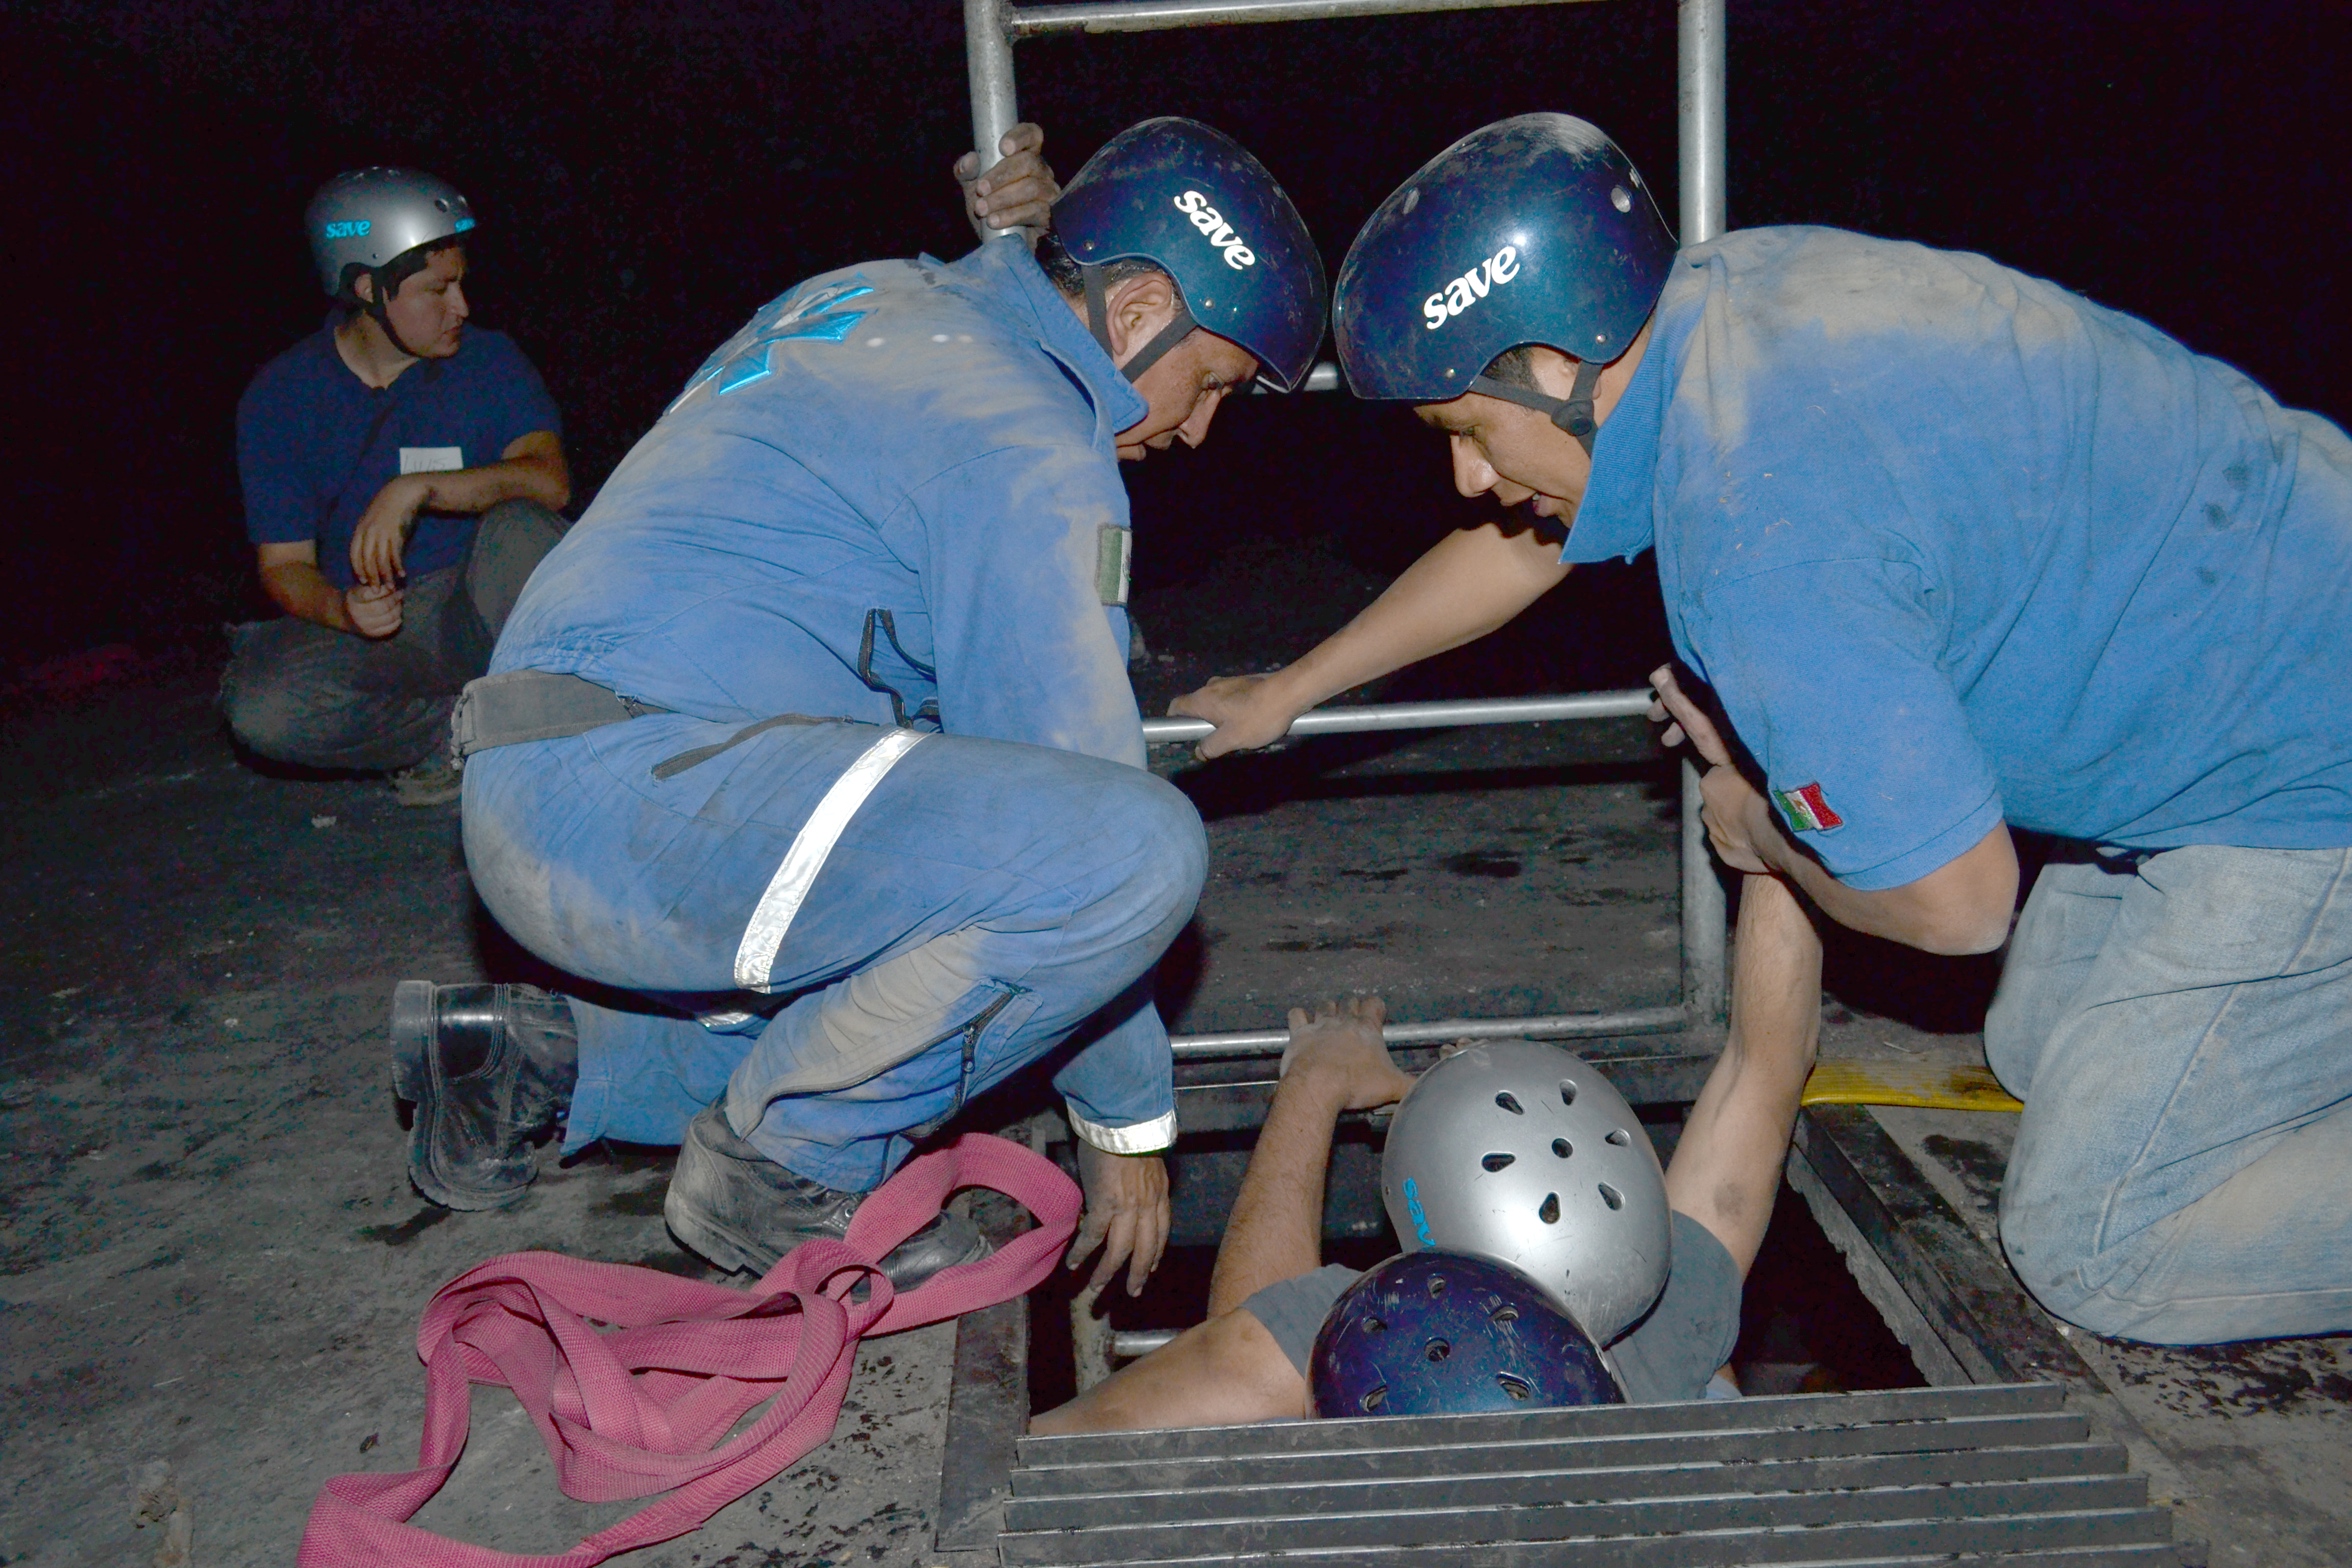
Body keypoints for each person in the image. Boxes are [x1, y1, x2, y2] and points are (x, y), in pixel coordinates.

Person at [1171, 114, 2352, 1346]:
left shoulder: (1757, 543)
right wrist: (1294, 684)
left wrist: (1764, 825)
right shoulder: (1722, 308)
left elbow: (1959, 908)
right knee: (2032, 1039)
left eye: (1466, 432)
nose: (1467, 478)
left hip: (2300, 783)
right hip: (2256, 638)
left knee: (2093, 1239)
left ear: (1560, 363)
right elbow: (1522, 545)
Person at [389, 120, 1330, 1295]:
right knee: (1128, 861)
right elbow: (1076, 771)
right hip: (644, 807)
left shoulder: (874, 296)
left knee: (907, 973)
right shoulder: (1028, 433)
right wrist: (1132, 1117)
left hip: (543, 789)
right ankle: (779, 1172)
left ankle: (542, 1061)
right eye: (1215, 386)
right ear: (1139, 314)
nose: (1196, 430)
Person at [1034, 877, 1821, 1433]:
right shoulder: (1663, 1325)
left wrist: (1312, 1087)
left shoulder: (1394, 1339)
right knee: (1715, 1390)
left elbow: (1244, 1342)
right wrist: (1769, 825)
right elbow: (1767, 1066)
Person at [222, 167, 572, 805]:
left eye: (462, 283)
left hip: (483, 604)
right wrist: (342, 611)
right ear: (369, 288)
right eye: (437, 290)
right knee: (262, 707)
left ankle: (573, 716)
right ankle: (460, 732)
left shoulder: (489, 362)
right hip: (387, 625)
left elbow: (549, 481)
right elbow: (284, 564)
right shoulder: (281, 396)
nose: (461, 307)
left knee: (524, 527)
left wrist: (417, 489)